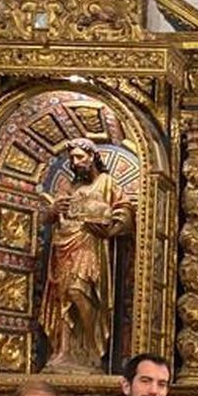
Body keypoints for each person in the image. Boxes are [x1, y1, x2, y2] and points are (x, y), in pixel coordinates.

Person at [37, 137, 133, 373]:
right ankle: (64, 351)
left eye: (80, 157)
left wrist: (110, 225)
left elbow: (125, 212)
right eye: (72, 158)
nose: (76, 162)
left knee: (79, 291)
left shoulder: (107, 183)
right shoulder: (70, 187)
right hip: (64, 245)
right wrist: (53, 210)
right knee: (63, 300)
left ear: (92, 158)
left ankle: (91, 346)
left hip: (90, 244)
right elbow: (48, 217)